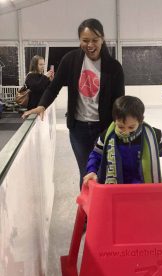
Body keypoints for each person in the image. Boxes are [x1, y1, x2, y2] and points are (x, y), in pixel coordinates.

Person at [22, 18, 125, 188]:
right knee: (86, 174)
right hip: (79, 130)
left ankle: (102, 211)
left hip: (104, 129)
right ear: (79, 40)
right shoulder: (71, 60)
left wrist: (120, 128)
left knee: (103, 173)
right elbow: (53, 87)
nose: (90, 45)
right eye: (85, 40)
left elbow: (119, 102)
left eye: (94, 40)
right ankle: (87, 213)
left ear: (102, 39)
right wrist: (42, 105)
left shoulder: (114, 67)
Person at [83, 95, 162, 185]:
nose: (125, 131)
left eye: (131, 127)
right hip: (116, 192)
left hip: (144, 194)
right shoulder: (107, 136)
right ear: (115, 120)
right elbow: (96, 155)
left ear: (140, 121)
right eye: (120, 126)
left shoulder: (154, 136)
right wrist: (91, 170)